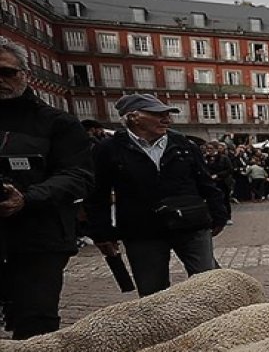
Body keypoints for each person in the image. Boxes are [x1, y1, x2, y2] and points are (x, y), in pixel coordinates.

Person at [0, 37, 94, 338]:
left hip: (39, 236)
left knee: (36, 323)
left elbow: (78, 174)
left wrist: (27, 198)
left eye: (6, 72)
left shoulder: (58, 123)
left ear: (25, 74)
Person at [88, 94, 228, 297]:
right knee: (153, 294)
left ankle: (215, 327)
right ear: (133, 117)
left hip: (190, 223)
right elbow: (97, 194)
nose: (167, 119)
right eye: (157, 114)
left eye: (167, 115)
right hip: (142, 231)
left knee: (210, 285)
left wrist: (219, 214)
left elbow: (205, 182)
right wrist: (102, 233)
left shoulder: (183, 144)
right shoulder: (109, 149)